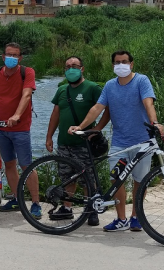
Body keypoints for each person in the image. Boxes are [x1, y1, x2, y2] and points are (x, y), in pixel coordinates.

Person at [69, 50, 164, 232]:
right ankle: (121, 219)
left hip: (142, 142)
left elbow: (148, 103)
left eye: (124, 61)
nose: (121, 65)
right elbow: (99, 108)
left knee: (140, 181)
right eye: (117, 62)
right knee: (116, 179)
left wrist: (156, 123)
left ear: (131, 64)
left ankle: (136, 218)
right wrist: (81, 126)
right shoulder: (110, 86)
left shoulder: (141, 81)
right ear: (113, 66)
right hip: (120, 143)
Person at [46, 55, 108, 226]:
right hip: (64, 142)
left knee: (87, 178)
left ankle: (91, 209)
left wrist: (97, 130)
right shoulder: (61, 90)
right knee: (67, 176)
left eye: (74, 65)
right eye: (67, 66)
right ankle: (67, 208)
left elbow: (107, 110)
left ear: (82, 68)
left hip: (84, 144)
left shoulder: (92, 88)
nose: (71, 69)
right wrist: (49, 136)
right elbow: (55, 115)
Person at [0, 42, 41, 217]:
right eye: (9, 55)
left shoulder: (27, 72)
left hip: (20, 128)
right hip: (1, 127)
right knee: (9, 164)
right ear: (3, 56)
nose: (12, 58)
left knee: (26, 165)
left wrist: (16, 115)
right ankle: (17, 198)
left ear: (20, 58)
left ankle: (36, 203)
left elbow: (27, 94)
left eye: (15, 55)